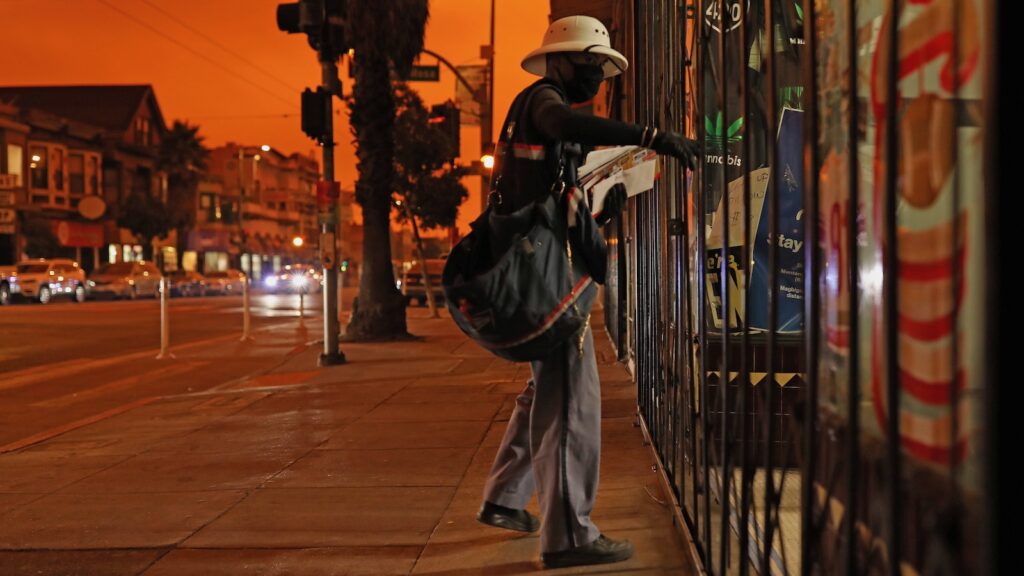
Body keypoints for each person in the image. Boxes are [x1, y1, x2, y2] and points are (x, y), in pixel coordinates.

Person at [475, 15, 700, 569]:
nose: (597, 76)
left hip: (542, 276)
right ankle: (569, 537)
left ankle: (505, 497)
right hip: (548, 284)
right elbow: (562, 122)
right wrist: (650, 137)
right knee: (570, 403)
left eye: (601, 66)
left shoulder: (545, 123)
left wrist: (603, 212)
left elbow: (555, 203)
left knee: (546, 392)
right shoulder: (543, 101)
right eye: (591, 63)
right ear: (560, 61)